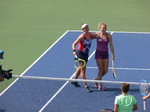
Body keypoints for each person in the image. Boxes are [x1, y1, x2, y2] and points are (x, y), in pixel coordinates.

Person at [71, 23, 94, 93]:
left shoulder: (90, 35)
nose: (86, 28)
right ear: (82, 29)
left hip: (86, 54)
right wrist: (74, 51)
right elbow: (74, 44)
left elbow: (96, 36)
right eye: (84, 28)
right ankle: (86, 86)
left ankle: (74, 80)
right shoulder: (81, 36)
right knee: (83, 70)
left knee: (80, 68)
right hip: (80, 54)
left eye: (87, 27)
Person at [93, 22, 115, 90]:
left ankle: (96, 79)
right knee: (101, 69)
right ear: (100, 28)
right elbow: (89, 38)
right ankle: (100, 85)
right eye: (102, 28)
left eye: (105, 28)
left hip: (105, 54)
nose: (104, 29)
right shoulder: (97, 34)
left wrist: (113, 55)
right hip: (98, 54)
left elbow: (111, 45)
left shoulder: (109, 35)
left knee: (105, 70)